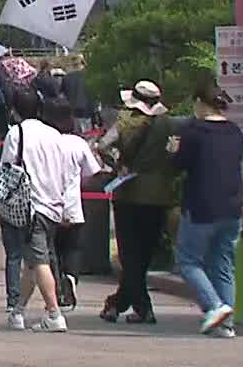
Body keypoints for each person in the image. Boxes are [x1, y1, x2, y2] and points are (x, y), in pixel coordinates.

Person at [94, 80, 176, 324]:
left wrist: (117, 164)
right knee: (144, 254)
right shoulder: (168, 124)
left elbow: (103, 145)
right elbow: (174, 155)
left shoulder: (125, 121)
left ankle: (133, 305)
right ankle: (127, 305)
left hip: (129, 193)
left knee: (130, 254)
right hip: (161, 194)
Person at [169, 81, 243, 336]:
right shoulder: (235, 131)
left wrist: (172, 151)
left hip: (202, 205)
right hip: (233, 206)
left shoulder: (195, 132)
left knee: (188, 260)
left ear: (201, 103)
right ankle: (226, 324)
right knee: (223, 264)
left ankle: (214, 306)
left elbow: (179, 165)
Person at [0, 86, 71, 332]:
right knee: (32, 261)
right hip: (53, 204)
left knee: (39, 261)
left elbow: (7, 169)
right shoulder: (55, 135)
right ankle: (18, 312)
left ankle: (54, 313)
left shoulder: (16, 134)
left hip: (30, 205)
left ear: (15, 110)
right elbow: (65, 172)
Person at [45, 98, 102, 311]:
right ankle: (71, 278)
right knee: (73, 248)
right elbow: (93, 172)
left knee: (52, 249)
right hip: (73, 205)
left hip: (49, 204)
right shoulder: (78, 143)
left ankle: (58, 286)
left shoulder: (46, 142)